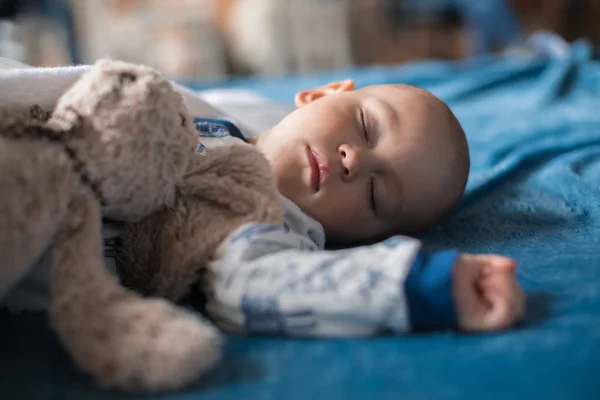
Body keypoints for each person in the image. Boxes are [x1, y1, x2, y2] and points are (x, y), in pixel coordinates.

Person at [193, 79, 525, 335]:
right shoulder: (240, 111)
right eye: (365, 125)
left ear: (364, 240)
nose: (354, 160)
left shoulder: (274, 226)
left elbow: (253, 284)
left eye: (375, 194)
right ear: (321, 94)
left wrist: (430, 284)